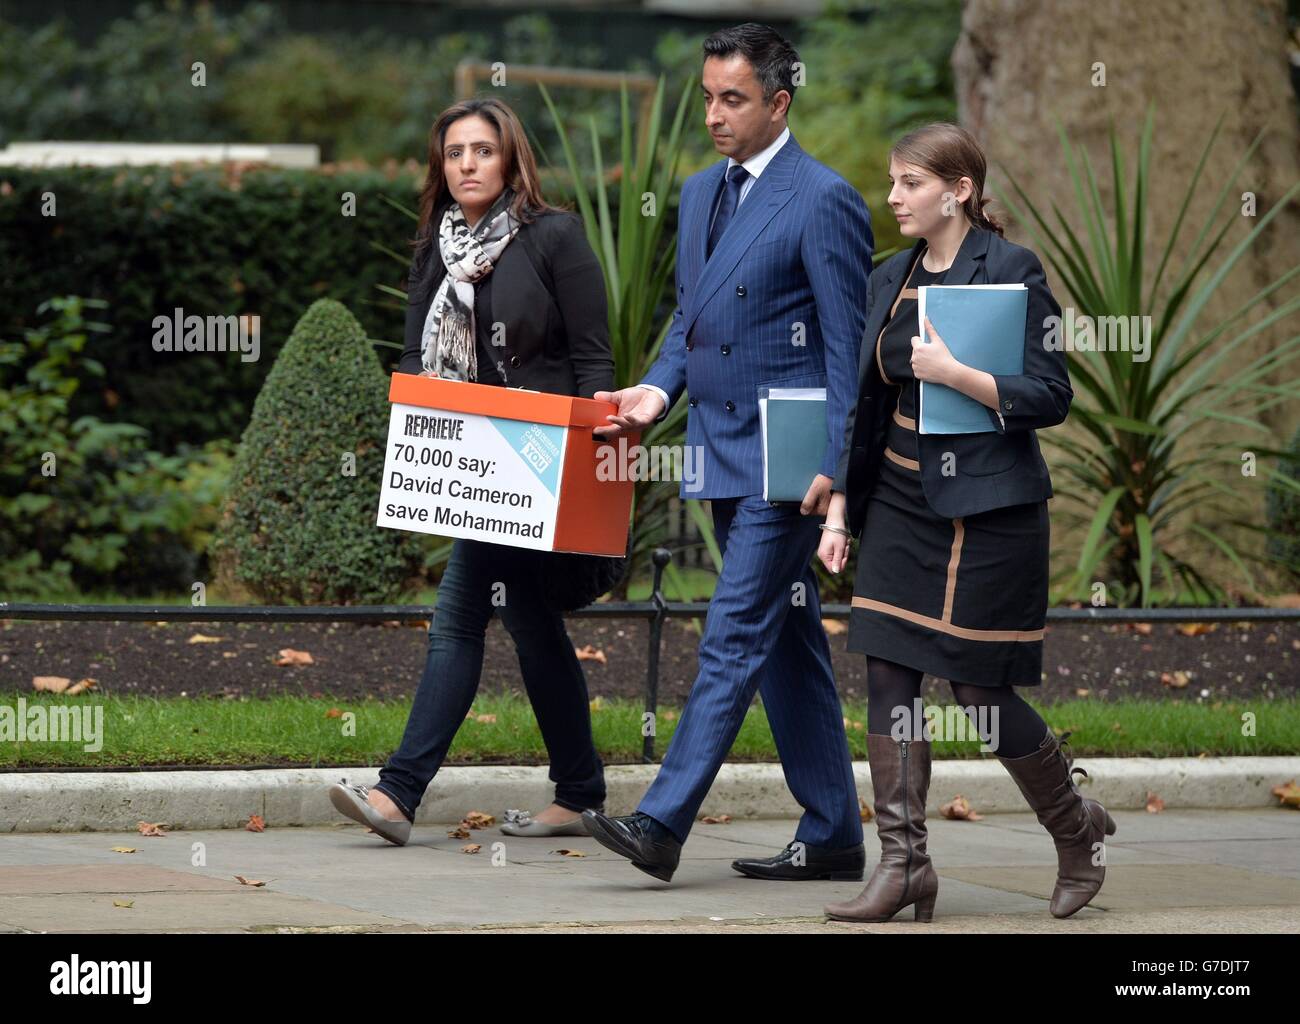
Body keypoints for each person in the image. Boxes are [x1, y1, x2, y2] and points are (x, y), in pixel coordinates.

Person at [583, 23, 873, 884]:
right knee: (786, 639)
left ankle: (662, 823)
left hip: (789, 462)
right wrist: (655, 391)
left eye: (734, 99)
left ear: (779, 103)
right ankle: (833, 834)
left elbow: (845, 346)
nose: (714, 113)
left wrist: (837, 468)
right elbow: (691, 318)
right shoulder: (698, 191)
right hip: (715, 449)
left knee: (733, 628)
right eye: (708, 96)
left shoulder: (823, 198)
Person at [817, 121, 1116, 922]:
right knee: (886, 668)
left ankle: (1076, 830)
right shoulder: (891, 276)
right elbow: (865, 403)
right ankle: (905, 865)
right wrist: (842, 505)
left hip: (988, 513)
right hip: (900, 503)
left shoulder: (1013, 270)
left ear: (959, 190)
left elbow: (1051, 394)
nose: (894, 198)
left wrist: (960, 375)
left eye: (909, 184)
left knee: (981, 690)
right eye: (892, 183)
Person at [328, 97, 615, 844]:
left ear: (511, 159)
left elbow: (593, 360)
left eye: (482, 150)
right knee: (527, 621)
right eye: (454, 153)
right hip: (467, 464)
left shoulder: (553, 237)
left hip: (536, 463)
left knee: (460, 615)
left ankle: (398, 793)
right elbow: (416, 358)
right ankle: (580, 791)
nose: (466, 165)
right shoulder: (436, 245)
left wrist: (585, 470)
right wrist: (423, 437)